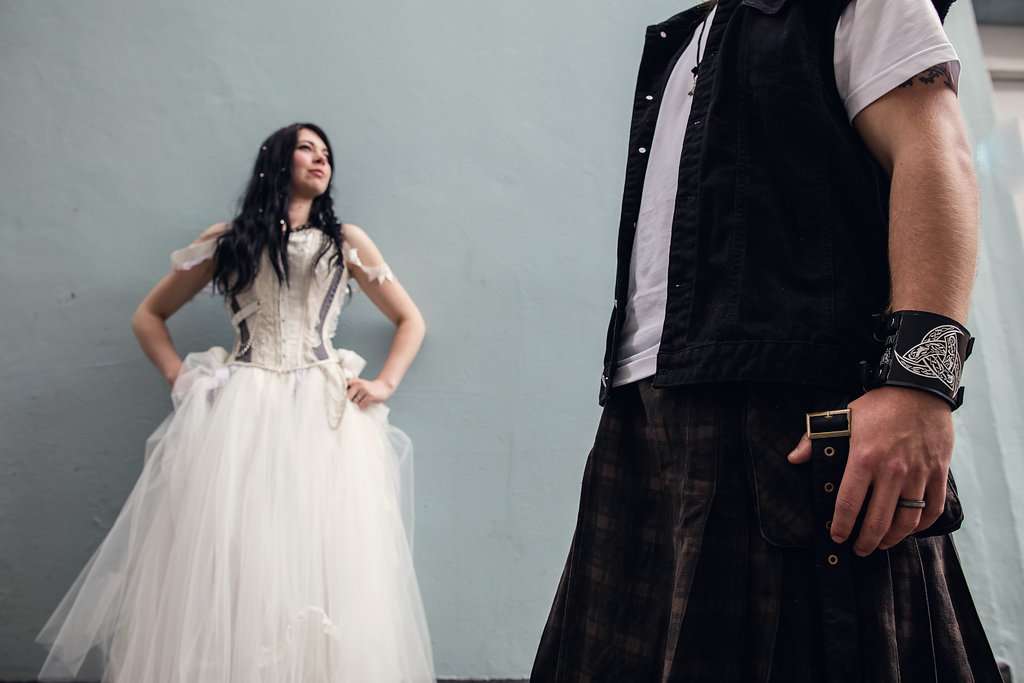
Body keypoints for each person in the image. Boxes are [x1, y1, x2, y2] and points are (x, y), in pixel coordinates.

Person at [532, 0, 1004, 680]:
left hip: (793, 428)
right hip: (643, 413)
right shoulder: (684, 40)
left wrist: (919, 385)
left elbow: (937, 154)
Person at [36, 123, 435, 682]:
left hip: (323, 412)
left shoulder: (344, 241)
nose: (320, 159)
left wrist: (384, 384)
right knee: (238, 553)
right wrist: (180, 377)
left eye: (326, 153)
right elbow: (148, 316)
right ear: (277, 160)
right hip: (242, 409)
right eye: (306, 148)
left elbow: (410, 319)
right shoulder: (228, 240)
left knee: (324, 553)